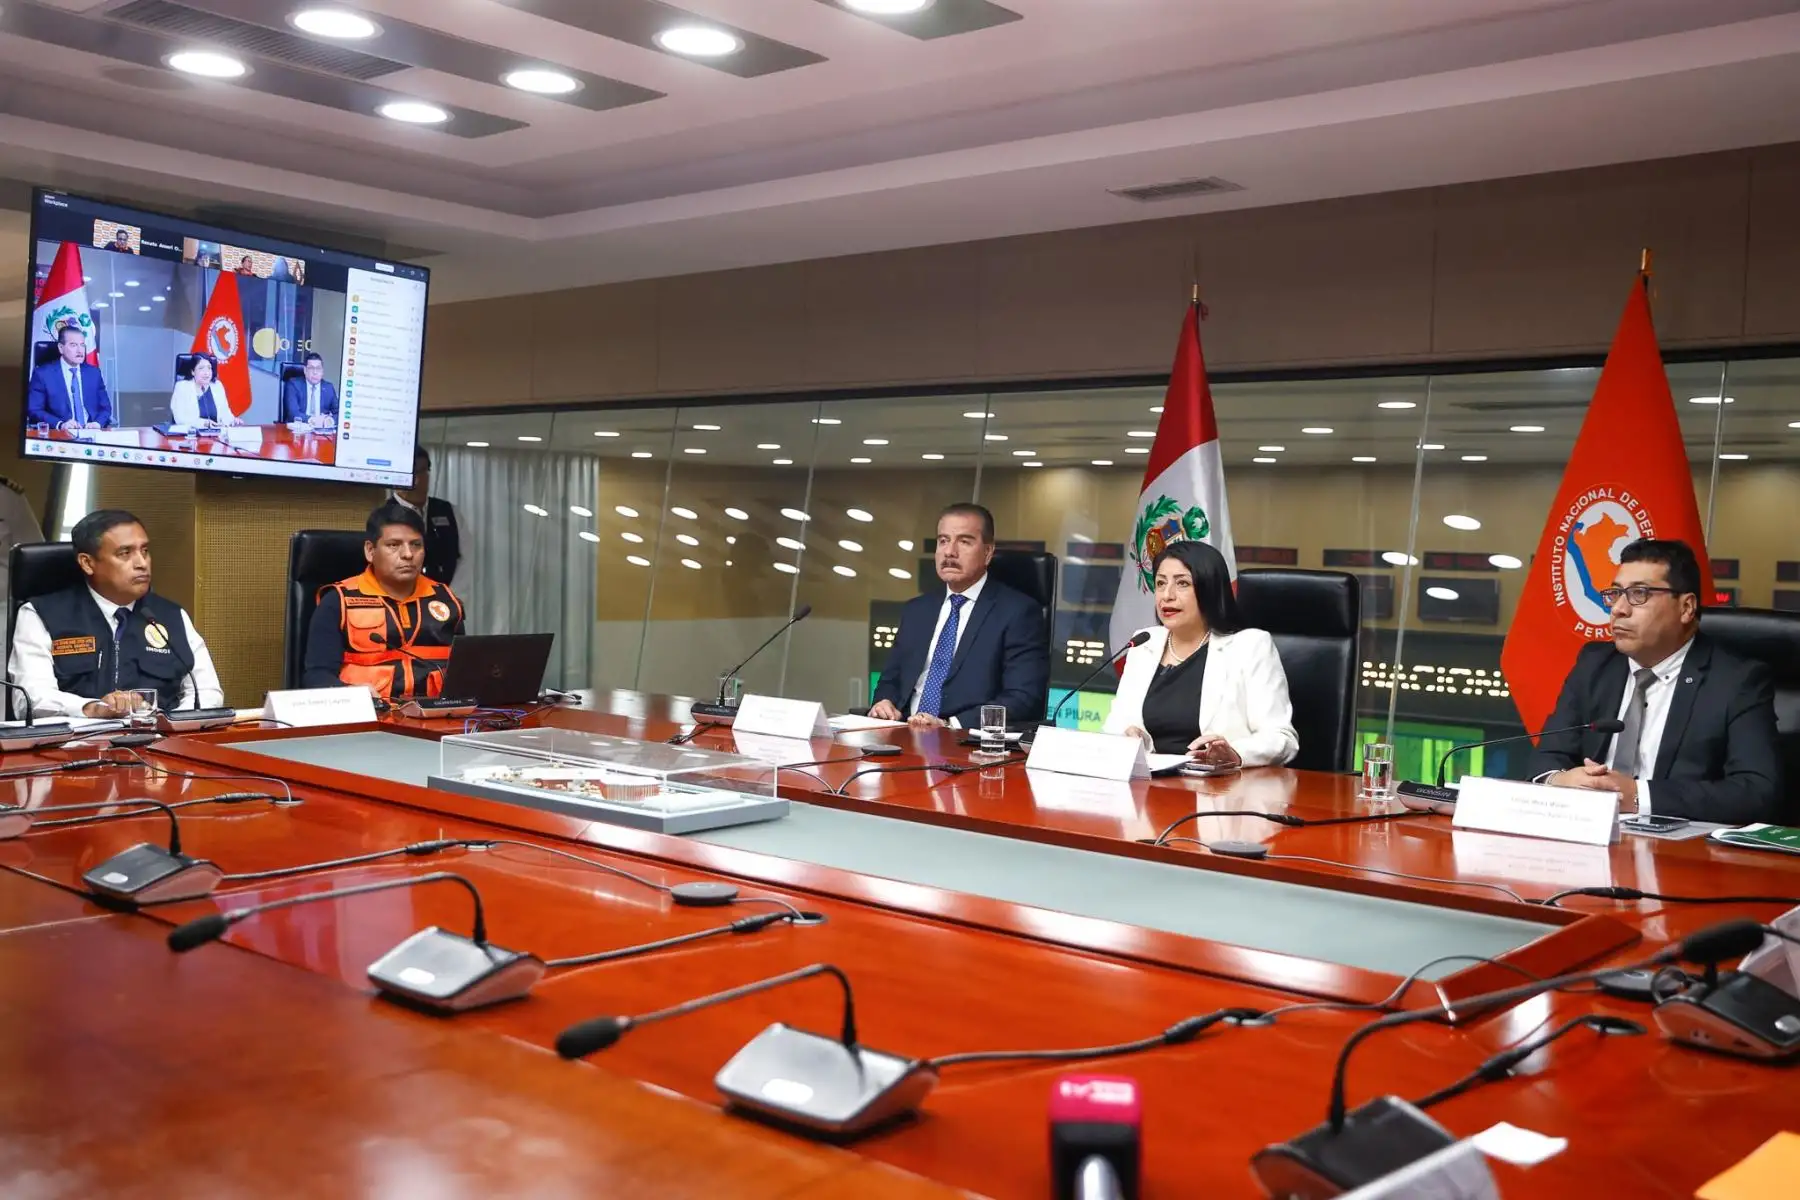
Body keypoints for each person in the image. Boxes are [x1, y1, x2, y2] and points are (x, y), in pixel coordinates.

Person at [1526, 538, 1782, 825]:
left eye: (1639, 594)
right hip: (1587, 838)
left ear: (1686, 607)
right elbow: (1546, 757)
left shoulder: (1737, 681)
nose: (1618, 609)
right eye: (1615, 594)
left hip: (1681, 854)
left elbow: (1756, 792)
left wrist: (1637, 796)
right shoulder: (1595, 664)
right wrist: (1560, 781)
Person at [7, 510, 223, 718]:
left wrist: (170, 724)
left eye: (145, 551)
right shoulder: (41, 614)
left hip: (159, 745)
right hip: (73, 748)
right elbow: (29, 699)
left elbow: (207, 692)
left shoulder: (170, 616)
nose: (141, 563)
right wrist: (93, 708)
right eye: (125, 553)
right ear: (88, 563)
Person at [1103, 540, 1298, 768]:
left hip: (1221, 792)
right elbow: (1114, 724)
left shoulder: (1249, 647)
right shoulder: (1144, 643)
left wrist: (1234, 754)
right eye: (1160, 583)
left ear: (1210, 590)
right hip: (1152, 786)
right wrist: (1129, 734)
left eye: (1182, 583)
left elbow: (1282, 737)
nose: (1167, 595)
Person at [869, 502, 1048, 728]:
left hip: (964, 743)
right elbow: (889, 680)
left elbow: (1023, 698)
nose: (950, 551)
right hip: (903, 735)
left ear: (987, 552)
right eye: (943, 540)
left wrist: (951, 725)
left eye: (964, 541)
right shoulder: (916, 610)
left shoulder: (1018, 613)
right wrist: (884, 702)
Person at [304, 502, 465, 700]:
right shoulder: (338, 601)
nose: (408, 554)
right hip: (369, 717)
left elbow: (465, 670)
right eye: (394, 545)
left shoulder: (446, 600)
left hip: (437, 718)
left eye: (416, 544)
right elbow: (316, 676)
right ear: (370, 551)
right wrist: (347, 693)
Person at [390, 448, 461, 585]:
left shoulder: (448, 511)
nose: (415, 479)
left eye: (421, 471)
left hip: (445, 595)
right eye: (410, 472)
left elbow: (465, 559)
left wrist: (451, 596)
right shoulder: (385, 514)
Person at [25, 326, 112, 430]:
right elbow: (34, 409)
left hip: (91, 431)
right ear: (61, 348)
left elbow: (105, 408)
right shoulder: (42, 374)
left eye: (82, 345)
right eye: (73, 345)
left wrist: (98, 423)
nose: (80, 350)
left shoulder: (94, 373)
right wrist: (61, 424)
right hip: (60, 434)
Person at [168, 354, 240, 428]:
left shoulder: (217, 386)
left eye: (209, 368)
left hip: (215, 435)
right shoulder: (182, 387)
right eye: (201, 368)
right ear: (193, 371)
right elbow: (180, 418)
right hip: (190, 436)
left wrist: (232, 421)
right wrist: (204, 423)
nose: (206, 373)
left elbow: (225, 413)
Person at [280, 353, 338, 427]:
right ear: (305, 370)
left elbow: (339, 413)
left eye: (318, 368)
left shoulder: (328, 388)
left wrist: (329, 420)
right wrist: (313, 420)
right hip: (298, 430)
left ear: (322, 371)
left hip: (321, 432)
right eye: (311, 368)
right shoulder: (293, 385)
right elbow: (293, 413)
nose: (315, 372)